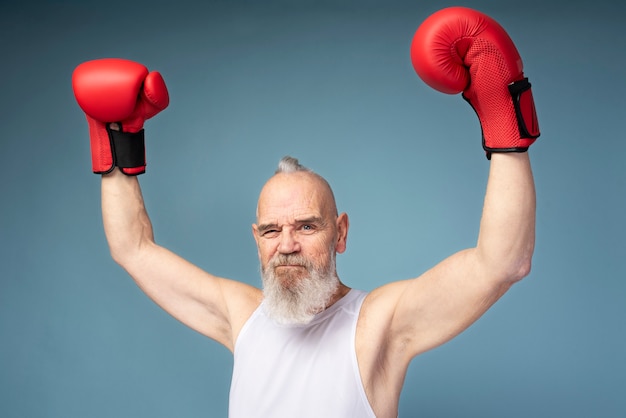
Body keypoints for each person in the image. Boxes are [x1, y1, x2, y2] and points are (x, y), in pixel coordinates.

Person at [72, 6, 540, 418]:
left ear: (341, 234)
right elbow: (131, 248)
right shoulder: (243, 316)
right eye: (272, 230)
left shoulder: (378, 324)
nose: (287, 245)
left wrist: (504, 118)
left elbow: (502, 263)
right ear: (256, 238)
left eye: (306, 226)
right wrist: (115, 141)